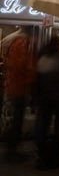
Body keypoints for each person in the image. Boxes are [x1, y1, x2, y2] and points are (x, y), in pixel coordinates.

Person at [33, 36, 59, 170]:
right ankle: (56, 156)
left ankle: (41, 154)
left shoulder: (42, 58)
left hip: (44, 97)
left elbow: (37, 80)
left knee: (43, 124)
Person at [0, 26, 36, 162]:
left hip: (14, 85)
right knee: (17, 117)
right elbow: (21, 66)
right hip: (19, 86)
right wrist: (31, 77)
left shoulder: (13, 42)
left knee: (16, 116)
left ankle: (12, 146)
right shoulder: (22, 43)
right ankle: (12, 148)